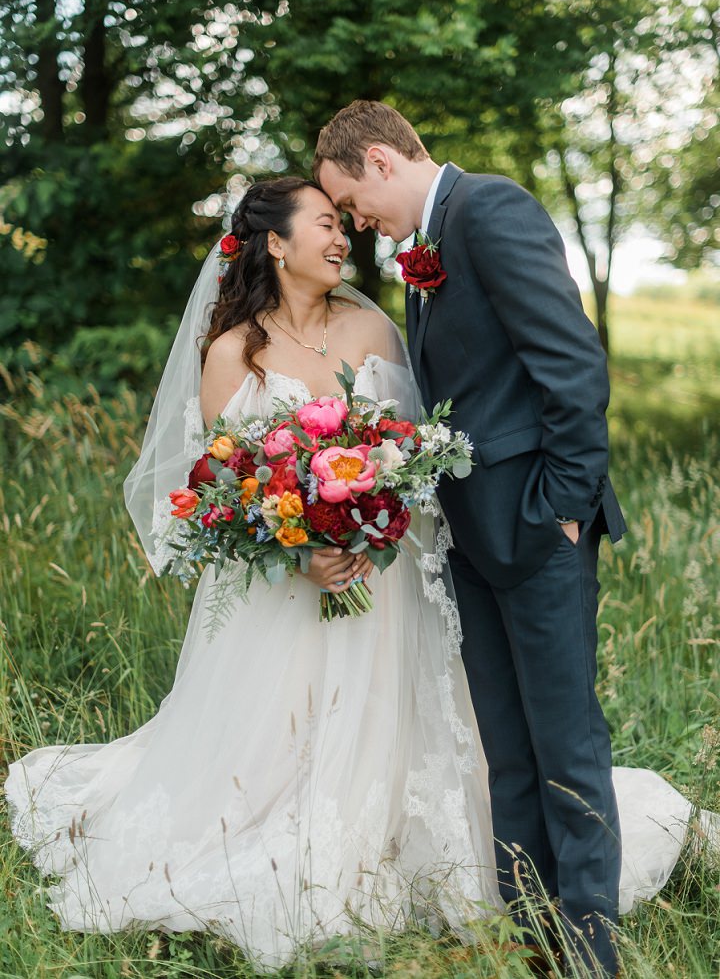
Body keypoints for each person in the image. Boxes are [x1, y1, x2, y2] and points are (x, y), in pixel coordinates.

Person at [4, 177, 708, 976]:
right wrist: (301, 547)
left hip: (393, 579)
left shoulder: (374, 326)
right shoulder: (235, 351)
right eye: (327, 225)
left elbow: (421, 450)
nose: (344, 240)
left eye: (345, 225)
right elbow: (216, 486)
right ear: (276, 242)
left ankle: (541, 896)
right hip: (284, 594)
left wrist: (377, 514)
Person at [314, 100, 623, 976]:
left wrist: (562, 506)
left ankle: (591, 951)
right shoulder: (428, 243)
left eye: (356, 203)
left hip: (535, 525)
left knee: (564, 741)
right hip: (470, 539)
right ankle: (531, 936)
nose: (363, 226)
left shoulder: (489, 209)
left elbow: (572, 365)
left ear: (379, 160)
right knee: (506, 747)